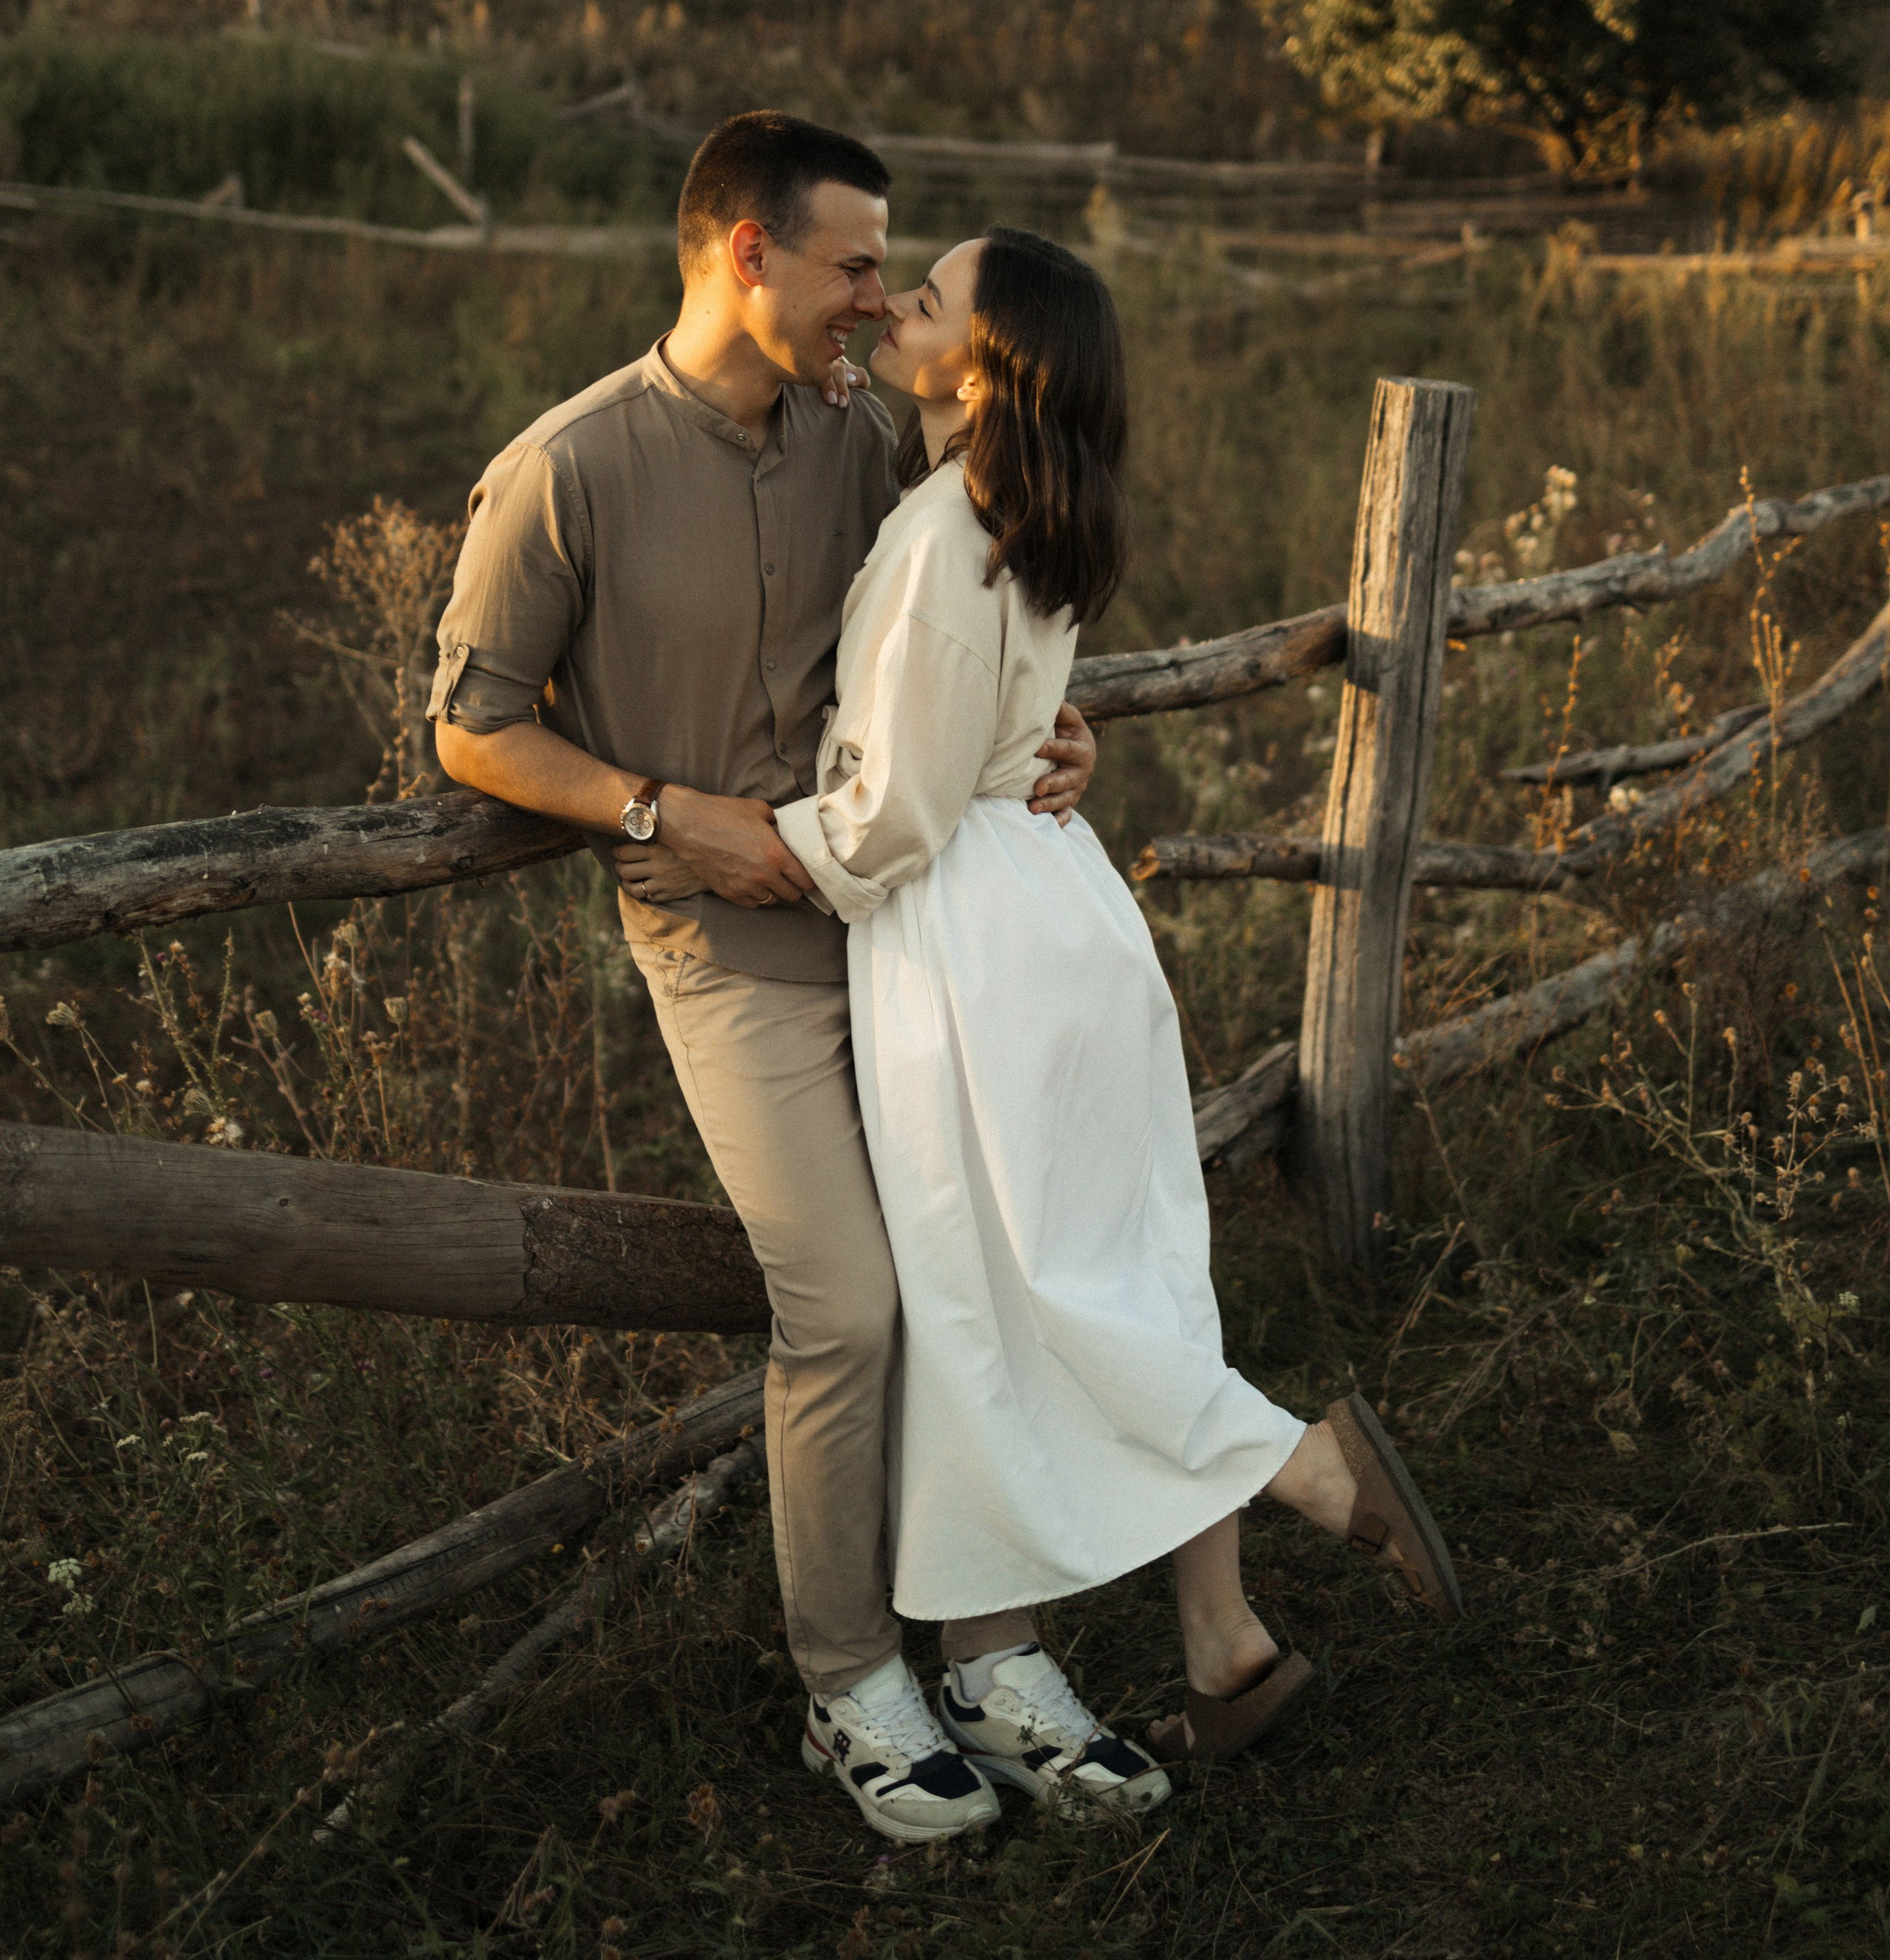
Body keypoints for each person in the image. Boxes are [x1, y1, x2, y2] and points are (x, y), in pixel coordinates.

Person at [427, 114, 1097, 1849]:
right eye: (855, 264)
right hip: (727, 952)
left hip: (909, 930)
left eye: (889, 272)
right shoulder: (565, 467)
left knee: (964, 1277)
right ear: (746, 252)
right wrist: (660, 811)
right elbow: (471, 727)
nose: (877, 299)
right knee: (851, 1308)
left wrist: (1049, 725)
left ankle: (995, 1650)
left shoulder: (860, 433)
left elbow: (961, 607)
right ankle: (848, 1677)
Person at [763, 226, 1463, 1820]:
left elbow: (888, 820)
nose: (898, 304)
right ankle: (1220, 1643)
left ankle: (1302, 1467)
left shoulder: (942, 534)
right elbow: (991, 734)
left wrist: (737, 839)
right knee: (1113, 1271)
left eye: (929, 298)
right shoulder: (1029, 517)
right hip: (1057, 910)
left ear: (987, 367)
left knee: (1010, 1294)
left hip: (969, 936)